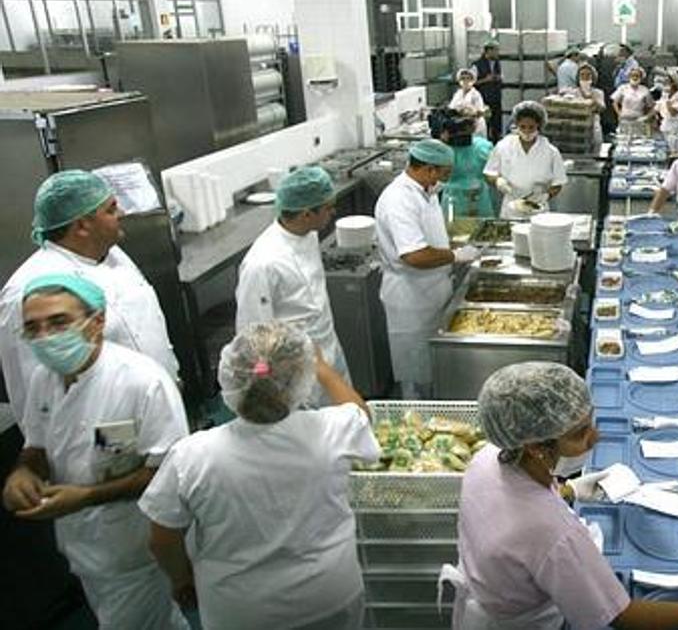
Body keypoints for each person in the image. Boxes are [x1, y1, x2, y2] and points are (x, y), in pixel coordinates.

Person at [449, 361, 678, 630]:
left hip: (489, 599)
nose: (595, 438)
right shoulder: (553, 534)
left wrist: (569, 490)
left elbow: (511, 506)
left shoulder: (487, 458)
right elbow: (620, 616)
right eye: (580, 434)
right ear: (538, 447)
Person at [140, 322, 380, 630]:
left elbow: (162, 537)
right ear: (301, 381)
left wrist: (182, 579)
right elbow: (361, 413)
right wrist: (322, 367)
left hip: (242, 610)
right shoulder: (331, 430)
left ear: (230, 380)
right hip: (329, 596)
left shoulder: (193, 455)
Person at [2, 274, 190, 630]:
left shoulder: (142, 383)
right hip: (83, 546)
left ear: (97, 322)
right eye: (33, 328)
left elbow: (170, 475)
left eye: (59, 322)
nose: (46, 337)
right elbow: (37, 444)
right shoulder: (45, 377)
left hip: (136, 549)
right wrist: (23, 471)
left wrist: (86, 497)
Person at [0, 169, 178, 434]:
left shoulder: (111, 252)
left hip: (156, 402)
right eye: (111, 209)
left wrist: (171, 375)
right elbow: (31, 392)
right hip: (101, 429)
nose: (121, 214)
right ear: (82, 226)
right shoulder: (29, 290)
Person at [235, 166, 351, 405]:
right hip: (294, 369)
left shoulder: (308, 233)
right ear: (306, 214)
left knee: (344, 421)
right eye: (329, 208)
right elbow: (252, 336)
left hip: (328, 346)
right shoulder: (263, 264)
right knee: (311, 435)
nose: (333, 212)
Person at [375, 139, 480, 398]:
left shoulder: (426, 191)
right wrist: (455, 255)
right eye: (443, 174)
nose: (443, 181)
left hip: (433, 289)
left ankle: (436, 399)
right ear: (430, 169)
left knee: (433, 363)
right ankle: (416, 413)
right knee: (415, 367)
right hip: (411, 296)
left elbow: (428, 238)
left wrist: (452, 245)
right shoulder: (399, 200)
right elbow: (414, 255)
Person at [484, 101, 569, 220]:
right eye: (522, 127)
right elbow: (489, 172)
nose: (527, 132)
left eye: (531, 127)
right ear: (516, 125)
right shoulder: (504, 146)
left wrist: (546, 196)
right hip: (510, 209)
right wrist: (498, 181)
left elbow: (558, 183)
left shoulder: (550, 151)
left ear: (539, 126)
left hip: (538, 210)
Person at [434, 108, 496, 219]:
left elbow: (493, 170)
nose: (461, 140)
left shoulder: (482, 147)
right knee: (453, 230)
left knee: (483, 231)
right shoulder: (444, 151)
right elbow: (438, 176)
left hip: (480, 198)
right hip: (454, 200)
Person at [560, 62, 607, 153]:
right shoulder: (573, 93)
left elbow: (602, 108)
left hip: (594, 128)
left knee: (595, 151)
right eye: (582, 75)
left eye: (588, 75)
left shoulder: (598, 92)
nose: (585, 77)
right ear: (578, 77)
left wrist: (592, 99)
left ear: (593, 77)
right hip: (578, 128)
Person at [473, 39, 505, 141]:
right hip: (483, 100)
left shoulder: (497, 63)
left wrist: (498, 78)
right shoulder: (477, 65)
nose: (497, 53)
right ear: (489, 51)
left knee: (496, 124)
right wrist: (485, 80)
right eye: (496, 50)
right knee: (485, 125)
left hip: (496, 98)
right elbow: (472, 83)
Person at [612, 66, 655, 133]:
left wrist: (646, 117)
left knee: (638, 141)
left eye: (637, 76)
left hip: (638, 120)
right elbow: (615, 102)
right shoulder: (623, 88)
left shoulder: (645, 90)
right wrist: (619, 114)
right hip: (624, 119)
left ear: (641, 78)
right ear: (629, 76)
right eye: (632, 75)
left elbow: (652, 107)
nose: (635, 78)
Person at [450, 68, 490, 138]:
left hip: (476, 126)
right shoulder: (458, 94)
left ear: (472, 80)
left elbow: (479, 111)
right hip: (462, 126)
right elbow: (452, 108)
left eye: (468, 78)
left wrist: (467, 111)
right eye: (463, 78)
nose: (465, 81)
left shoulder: (476, 94)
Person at [656, 73, 678, 153]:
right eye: (665, 82)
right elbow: (657, 107)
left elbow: (672, 112)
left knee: (673, 149)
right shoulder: (664, 95)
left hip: (674, 129)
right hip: (665, 127)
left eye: (668, 82)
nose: (665, 84)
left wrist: (667, 99)